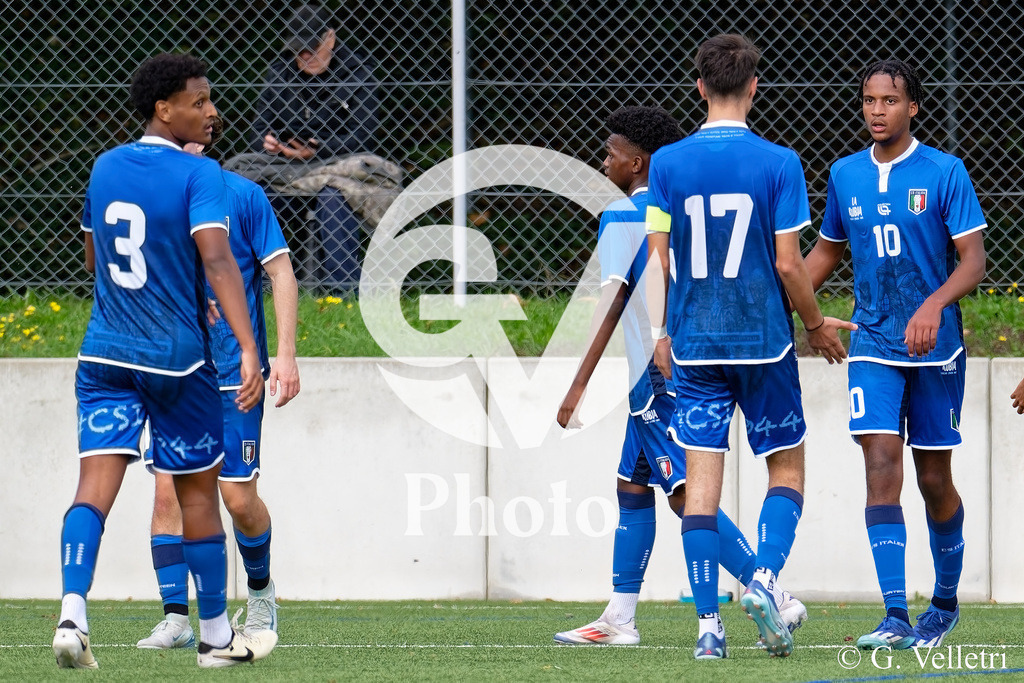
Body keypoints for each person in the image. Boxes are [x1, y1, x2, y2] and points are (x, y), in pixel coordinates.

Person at [53, 53, 277, 669]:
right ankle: (215, 640)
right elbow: (217, 258)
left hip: (103, 354)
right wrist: (249, 347)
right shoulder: (197, 173)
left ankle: (72, 614)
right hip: (177, 363)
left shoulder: (105, 166)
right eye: (199, 101)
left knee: (92, 490)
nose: (212, 111)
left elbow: (97, 260)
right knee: (198, 495)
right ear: (164, 109)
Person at [553, 106, 807, 646]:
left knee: (686, 494)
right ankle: (620, 616)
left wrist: (578, 385)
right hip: (680, 360)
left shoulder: (622, 216)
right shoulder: (681, 205)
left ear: (637, 162)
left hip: (659, 377)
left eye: (610, 154)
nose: (602, 163)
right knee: (631, 485)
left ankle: (775, 597)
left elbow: (613, 301)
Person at [646, 34, 854, 659]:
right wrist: (813, 324)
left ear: (700, 86)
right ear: (754, 87)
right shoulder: (779, 162)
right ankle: (763, 579)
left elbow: (658, 260)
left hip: (695, 344)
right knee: (785, 469)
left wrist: (660, 334)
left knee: (700, 487)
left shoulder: (666, 164)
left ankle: (708, 630)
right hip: (763, 343)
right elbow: (790, 263)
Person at [804, 59, 986, 651]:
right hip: (874, 342)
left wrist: (932, 306)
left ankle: (945, 604)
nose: (877, 110)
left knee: (934, 479)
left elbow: (974, 262)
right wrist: (791, 309)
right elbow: (824, 254)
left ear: (913, 107)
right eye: (869, 100)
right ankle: (895, 616)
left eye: (889, 100)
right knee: (881, 464)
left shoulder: (945, 171)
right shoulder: (845, 173)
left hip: (937, 349)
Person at [136, 116, 300, 650]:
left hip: (235, 377)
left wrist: (285, 355)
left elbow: (281, 273)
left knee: (237, 498)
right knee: (168, 491)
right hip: (175, 376)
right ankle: (176, 618)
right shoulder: (152, 203)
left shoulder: (243, 195)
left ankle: (262, 593)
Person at [246, 3, 379, 291]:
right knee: (260, 196)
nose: (305, 56)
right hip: (289, 171)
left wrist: (320, 149)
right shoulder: (279, 73)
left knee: (334, 198)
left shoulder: (358, 73)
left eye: (312, 48)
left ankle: (342, 294)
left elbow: (365, 137)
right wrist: (270, 145)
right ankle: (261, 287)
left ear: (330, 38)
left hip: (338, 171)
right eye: (298, 50)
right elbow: (257, 130)